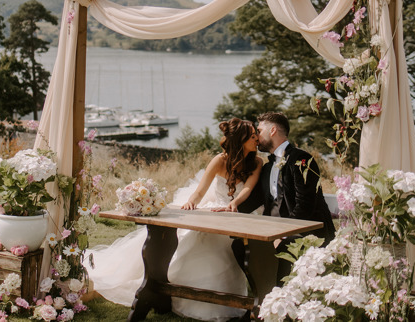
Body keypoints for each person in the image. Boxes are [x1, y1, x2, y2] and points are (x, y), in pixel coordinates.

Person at [86, 118, 263, 322]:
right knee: (199, 238)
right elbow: (200, 191)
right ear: (240, 140)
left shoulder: (257, 162)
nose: (257, 138)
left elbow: (248, 187)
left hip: (235, 213)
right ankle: (178, 293)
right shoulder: (219, 160)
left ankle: (230, 301)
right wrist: (191, 203)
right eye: (252, 136)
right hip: (215, 209)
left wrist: (235, 204)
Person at [254, 111, 336, 286]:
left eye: (259, 130)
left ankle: (280, 302)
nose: (256, 136)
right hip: (277, 232)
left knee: (283, 247)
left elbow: (305, 205)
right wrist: (230, 206)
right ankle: (259, 299)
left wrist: (282, 236)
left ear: (273, 130)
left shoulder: (302, 159)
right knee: (241, 246)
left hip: (307, 232)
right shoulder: (268, 166)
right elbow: (262, 202)